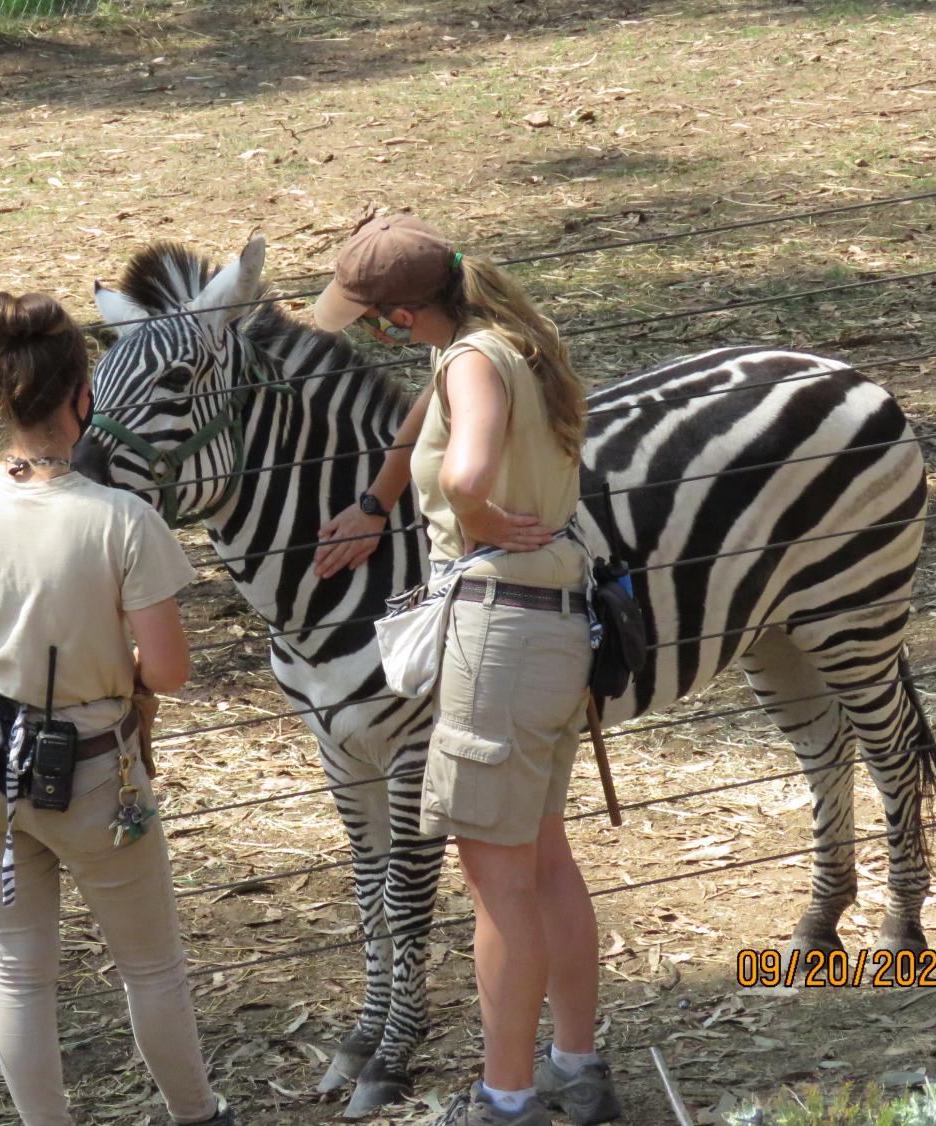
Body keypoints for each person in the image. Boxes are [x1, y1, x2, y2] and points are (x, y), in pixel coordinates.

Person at [0, 292, 234, 1126]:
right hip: (89, 773)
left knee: (18, 970)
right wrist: (107, 674)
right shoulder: (124, 520)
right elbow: (172, 670)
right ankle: (199, 1115)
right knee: (150, 969)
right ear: (83, 398)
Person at [313, 216, 622, 1126]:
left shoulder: (471, 363)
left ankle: (505, 1097)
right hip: (556, 630)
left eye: (374, 319)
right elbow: (441, 414)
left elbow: (466, 470)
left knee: (496, 882)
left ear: (402, 316)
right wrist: (382, 496)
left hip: (499, 638)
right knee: (544, 858)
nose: (373, 333)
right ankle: (574, 1066)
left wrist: (471, 516)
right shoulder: (514, 345)